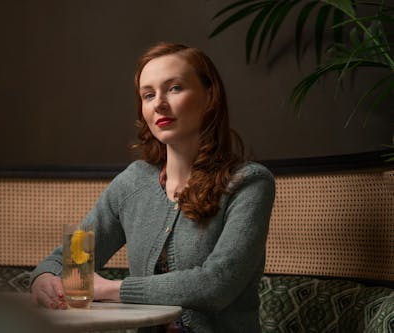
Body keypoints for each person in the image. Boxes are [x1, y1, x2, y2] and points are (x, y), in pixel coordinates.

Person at [30, 42, 275, 333]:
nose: (159, 103)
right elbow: (68, 258)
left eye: (174, 88)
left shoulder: (249, 182)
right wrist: (44, 277)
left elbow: (217, 284)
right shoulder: (133, 182)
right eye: (148, 94)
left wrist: (111, 289)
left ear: (210, 96)